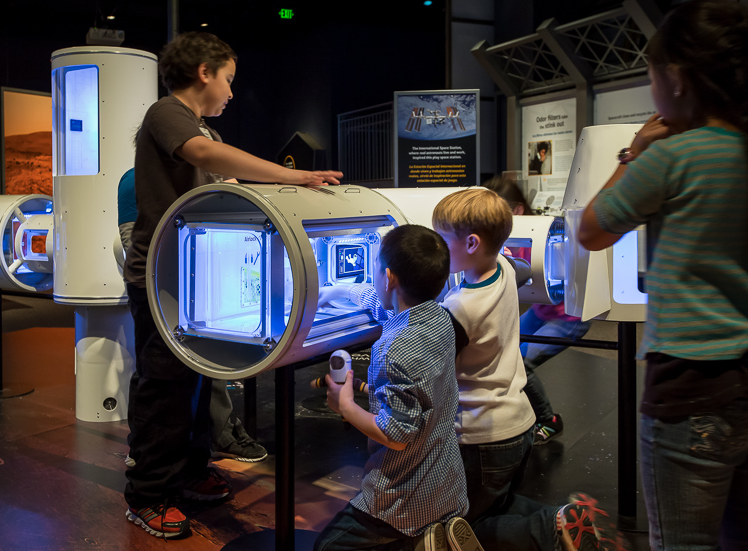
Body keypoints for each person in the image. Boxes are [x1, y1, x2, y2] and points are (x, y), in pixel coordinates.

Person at [123, 31, 342, 540]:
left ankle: (189, 470)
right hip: (164, 281)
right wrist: (296, 179)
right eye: (228, 79)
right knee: (164, 390)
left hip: (199, 280)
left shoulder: (205, 131)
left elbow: (227, 184)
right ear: (205, 71)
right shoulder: (168, 114)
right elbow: (204, 154)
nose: (231, 91)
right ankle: (148, 493)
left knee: (201, 380)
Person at [320, 189, 620, 551]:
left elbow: (422, 352)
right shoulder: (504, 268)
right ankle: (562, 520)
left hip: (481, 433)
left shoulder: (458, 311)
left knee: (461, 525)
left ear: (473, 243)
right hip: (517, 420)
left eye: (442, 240)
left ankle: (547, 530)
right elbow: (522, 268)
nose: (438, 250)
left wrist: (355, 398)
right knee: (498, 502)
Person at [578, 2, 748, 549]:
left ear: (675, 77)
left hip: (688, 390)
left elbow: (592, 230)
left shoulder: (670, 157)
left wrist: (635, 151)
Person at [314, 224, 477, 551]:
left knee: (328, 547)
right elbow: (386, 305)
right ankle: (430, 539)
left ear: (388, 277)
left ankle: (419, 541)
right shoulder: (439, 316)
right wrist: (340, 291)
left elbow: (396, 436)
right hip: (446, 483)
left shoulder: (393, 349)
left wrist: (345, 405)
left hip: (402, 499)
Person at [118, 166, 267, 465]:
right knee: (156, 368)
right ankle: (148, 448)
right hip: (163, 277)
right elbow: (136, 240)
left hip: (192, 267)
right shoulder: (140, 178)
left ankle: (199, 443)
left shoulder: (186, 174)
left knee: (198, 362)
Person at [485, 176, 591, 444]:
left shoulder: (550, 234)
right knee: (505, 351)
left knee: (521, 361)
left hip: (569, 318)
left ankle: (548, 420)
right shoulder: (514, 233)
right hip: (543, 311)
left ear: (517, 210)